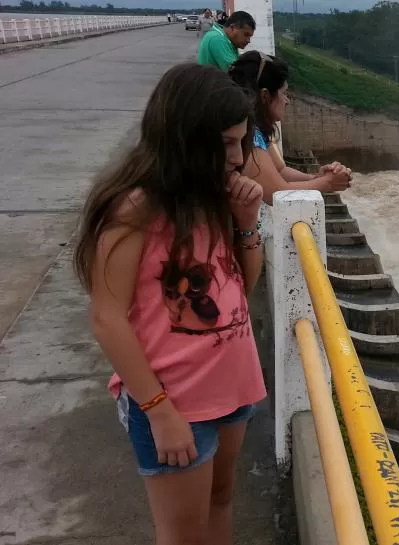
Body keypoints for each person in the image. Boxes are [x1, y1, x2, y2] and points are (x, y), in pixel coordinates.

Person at [73, 63, 266, 545]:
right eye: (223, 144)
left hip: (233, 384)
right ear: (183, 139)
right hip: (174, 398)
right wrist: (159, 411)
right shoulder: (133, 208)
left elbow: (242, 288)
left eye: (240, 143)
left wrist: (246, 221)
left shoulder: (215, 196)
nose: (236, 159)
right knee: (182, 534)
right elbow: (106, 317)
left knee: (221, 503)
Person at [228, 51, 352, 204]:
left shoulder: (256, 128)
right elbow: (276, 193)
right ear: (265, 96)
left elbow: (281, 171)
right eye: (283, 93)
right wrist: (327, 183)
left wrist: (317, 178)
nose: (287, 101)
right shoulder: (248, 134)